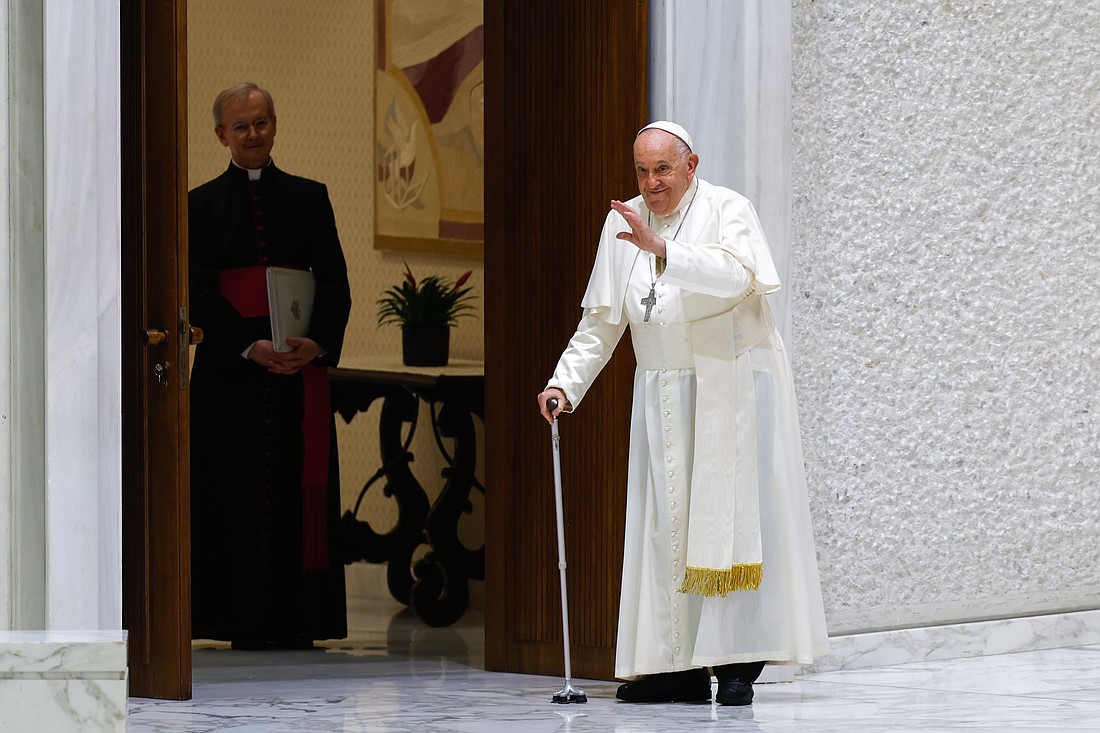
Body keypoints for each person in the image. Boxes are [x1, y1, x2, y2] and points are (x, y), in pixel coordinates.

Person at [538, 121, 828, 705]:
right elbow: (602, 319)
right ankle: (676, 668)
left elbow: (738, 277)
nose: (651, 183)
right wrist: (564, 384)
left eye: (663, 170)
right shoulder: (621, 225)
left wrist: (665, 250)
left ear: (691, 164)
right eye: (642, 171)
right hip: (659, 392)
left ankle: (737, 663)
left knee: (727, 526)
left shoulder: (728, 208)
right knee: (664, 530)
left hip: (728, 387)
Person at [189, 82, 353, 650]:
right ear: (221, 135)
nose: (253, 134)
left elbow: (333, 280)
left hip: (297, 373)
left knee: (293, 495)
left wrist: (316, 344)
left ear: (275, 125)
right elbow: (199, 292)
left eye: (261, 123)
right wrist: (249, 346)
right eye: (241, 126)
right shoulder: (200, 205)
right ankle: (233, 618)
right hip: (229, 378)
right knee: (230, 496)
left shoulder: (310, 197)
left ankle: (298, 621)